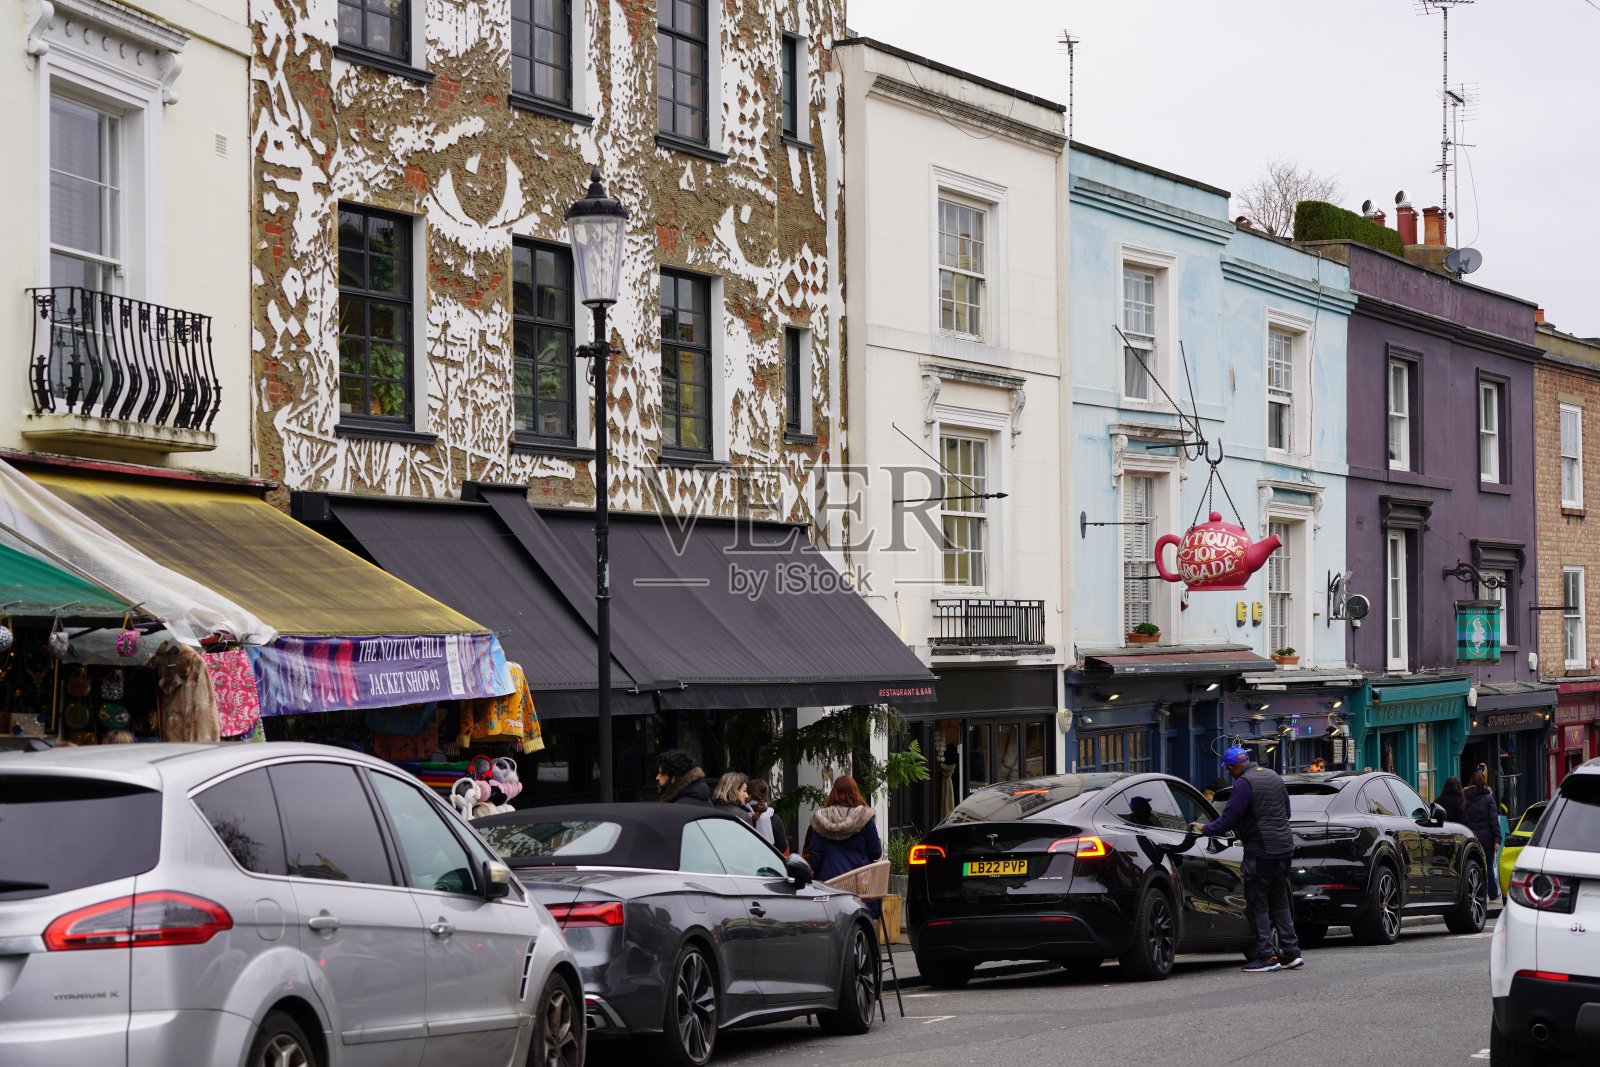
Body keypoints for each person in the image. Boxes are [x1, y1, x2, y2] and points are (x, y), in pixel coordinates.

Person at [1191, 745, 1302, 972]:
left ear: (1232, 766)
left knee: (1257, 903)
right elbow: (1287, 813)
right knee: (1279, 900)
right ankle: (1291, 953)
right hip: (1284, 847)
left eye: (1229, 769)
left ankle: (1267, 956)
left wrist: (1204, 829)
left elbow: (1228, 820)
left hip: (1261, 850)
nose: (1229, 773)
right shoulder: (1273, 776)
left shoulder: (1243, 783)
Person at [804, 775, 883, 882]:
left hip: (828, 884)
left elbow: (814, 858)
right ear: (855, 792)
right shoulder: (864, 818)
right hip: (859, 883)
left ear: (833, 793)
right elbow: (876, 852)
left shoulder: (821, 819)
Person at [1464, 770, 1502, 901]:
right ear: (1484, 782)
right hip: (1487, 839)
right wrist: (1497, 839)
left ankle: (1477, 893)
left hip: (1471, 838)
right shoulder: (1488, 798)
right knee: (1489, 867)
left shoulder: (1464, 797)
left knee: (1473, 865)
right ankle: (1492, 893)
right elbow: (1493, 821)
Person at [748, 778, 790, 854]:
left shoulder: (741, 815)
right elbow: (782, 846)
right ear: (766, 795)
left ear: (748, 794)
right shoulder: (773, 818)